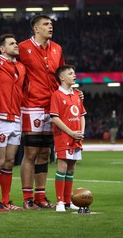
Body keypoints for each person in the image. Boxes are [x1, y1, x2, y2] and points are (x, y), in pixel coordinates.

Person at [18, 14, 65, 209]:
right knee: (31, 152)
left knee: (45, 152)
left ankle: (41, 196)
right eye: (46, 24)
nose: (50, 27)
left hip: (51, 106)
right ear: (36, 29)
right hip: (31, 105)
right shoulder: (22, 48)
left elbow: (62, 75)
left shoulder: (57, 48)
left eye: (51, 24)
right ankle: (27, 197)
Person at [0, 34, 25, 212]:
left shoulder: (22, 67)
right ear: (2, 49)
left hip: (16, 118)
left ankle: (7, 201)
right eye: (12, 43)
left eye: (16, 42)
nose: (16, 45)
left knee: (9, 161)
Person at [50, 65, 86, 212]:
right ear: (62, 78)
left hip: (76, 137)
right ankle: (59, 202)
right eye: (70, 73)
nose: (74, 75)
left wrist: (81, 132)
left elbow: (82, 115)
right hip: (64, 136)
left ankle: (68, 200)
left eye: (74, 72)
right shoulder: (56, 95)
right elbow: (55, 118)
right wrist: (71, 132)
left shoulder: (77, 94)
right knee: (63, 166)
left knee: (71, 168)